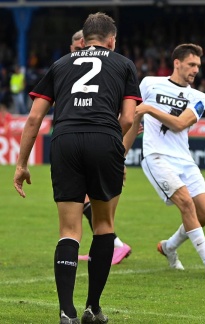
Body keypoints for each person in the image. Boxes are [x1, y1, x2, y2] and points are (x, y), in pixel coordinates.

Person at [13, 12, 141, 324]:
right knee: (103, 225)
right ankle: (92, 308)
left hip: (65, 139)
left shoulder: (60, 65)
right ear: (111, 40)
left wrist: (21, 164)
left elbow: (33, 119)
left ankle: (65, 311)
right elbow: (127, 119)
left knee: (69, 230)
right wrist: (112, 145)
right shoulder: (123, 63)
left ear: (83, 40)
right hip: (104, 138)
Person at [123, 43, 205, 280]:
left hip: (184, 159)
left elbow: (180, 124)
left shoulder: (199, 96)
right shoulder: (149, 83)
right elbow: (133, 121)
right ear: (177, 63)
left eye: (198, 66)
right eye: (191, 64)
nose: (195, 70)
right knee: (186, 204)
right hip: (156, 157)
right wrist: (119, 158)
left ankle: (170, 246)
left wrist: (149, 108)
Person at [69, 29, 133, 265]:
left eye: (80, 48)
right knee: (84, 199)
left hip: (104, 147)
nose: (80, 54)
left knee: (86, 200)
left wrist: (119, 156)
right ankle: (110, 244)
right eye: (75, 50)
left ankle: (114, 244)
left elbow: (130, 121)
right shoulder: (73, 74)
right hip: (88, 144)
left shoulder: (112, 74)